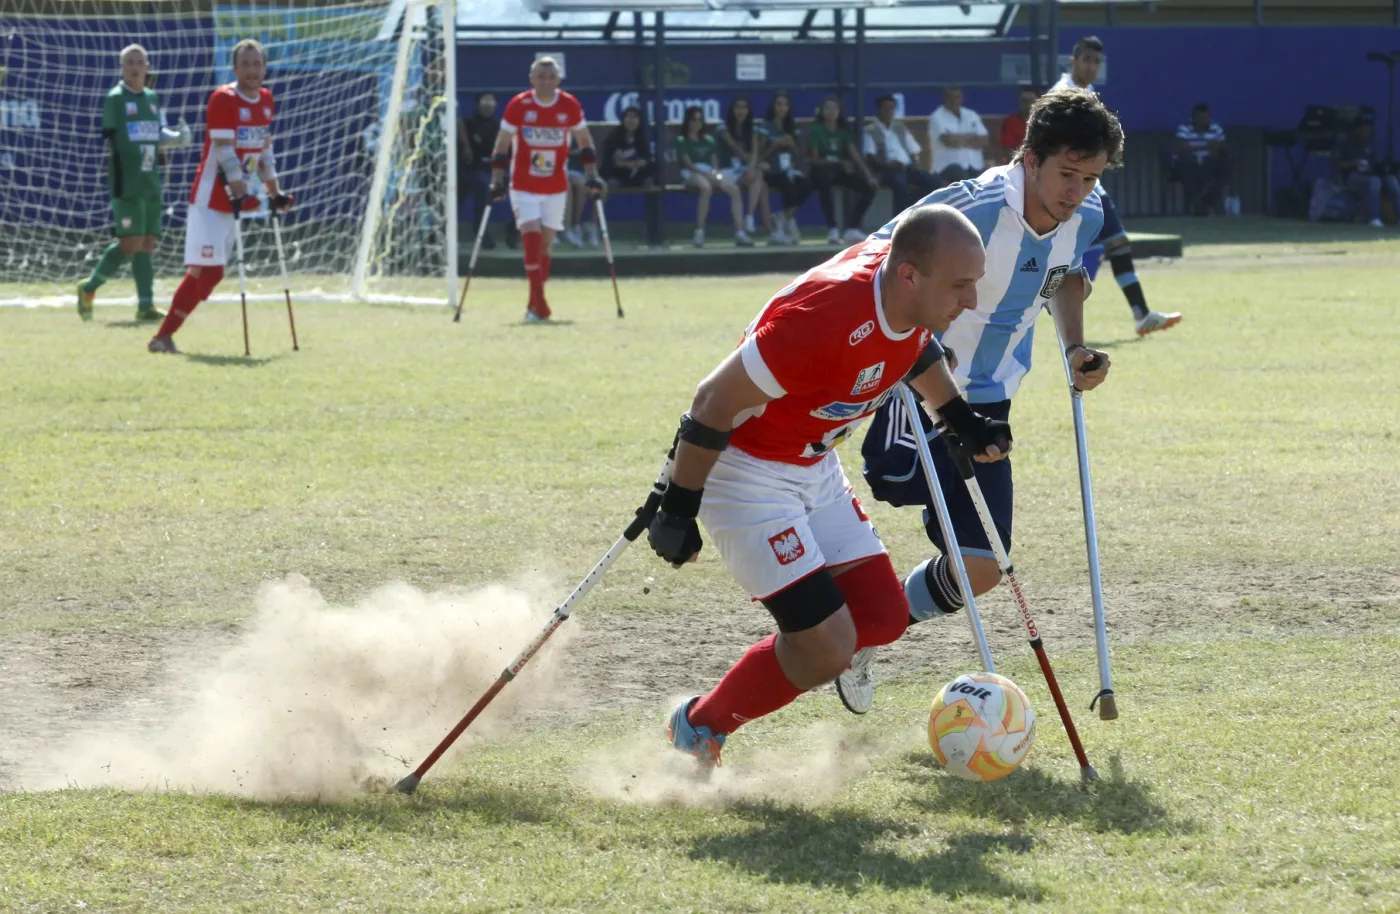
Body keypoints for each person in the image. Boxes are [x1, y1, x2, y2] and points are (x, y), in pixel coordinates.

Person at [648, 204, 1013, 769]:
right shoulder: (823, 317)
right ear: (910, 274)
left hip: (815, 467)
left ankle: (794, 654)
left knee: (883, 617)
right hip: (748, 473)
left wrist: (957, 416)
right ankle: (699, 727)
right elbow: (712, 402)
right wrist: (677, 505)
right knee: (827, 648)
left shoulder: (909, 299)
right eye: (961, 285)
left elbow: (915, 346)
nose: (970, 300)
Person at [852, 86, 1121, 709]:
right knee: (890, 479)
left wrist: (1076, 349)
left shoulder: (1089, 211)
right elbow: (871, 262)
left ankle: (864, 631)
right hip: (920, 382)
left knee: (983, 567)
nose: (1076, 190)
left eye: (1090, 177)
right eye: (1065, 174)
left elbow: (1067, 275)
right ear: (1029, 158)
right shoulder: (964, 209)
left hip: (992, 401)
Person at [149, 39, 292, 354]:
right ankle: (162, 336)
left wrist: (274, 191)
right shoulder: (222, 99)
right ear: (235, 68)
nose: (253, 71)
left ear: (264, 68)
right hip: (211, 198)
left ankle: (164, 336)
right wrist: (240, 192)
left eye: (257, 64)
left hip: (234, 200)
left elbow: (264, 150)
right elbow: (225, 152)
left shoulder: (267, 100)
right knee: (208, 271)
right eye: (246, 64)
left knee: (209, 273)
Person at [1054, 36, 1181, 336]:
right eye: (1087, 60)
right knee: (1097, 246)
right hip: (1078, 185)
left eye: (1097, 62)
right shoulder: (1063, 95)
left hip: (1089, 184)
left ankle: (1140, 313)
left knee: (1109, 245)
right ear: (1073, 62)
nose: (1092, 66)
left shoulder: (1089, 93)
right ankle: (1136, 313)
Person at [77, 44, 191, 323]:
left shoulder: (151, 98)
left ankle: (145, 306)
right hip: (127, 182)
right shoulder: (115, 98)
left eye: (139, 62)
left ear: (147, 67)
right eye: (130, 62)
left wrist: (175, 138)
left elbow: (154, 133)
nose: (135, 67)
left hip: (151, 181)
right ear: (122, 68)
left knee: (148, 242)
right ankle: (88, 288)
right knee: (130, 243)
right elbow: (115, 140)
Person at [488, 56, 602, 322]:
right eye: (541, 76)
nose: (546, 81)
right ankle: (542, 306)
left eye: (551, 76)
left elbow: (584, 141)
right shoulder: (519, 105)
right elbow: (502, 145)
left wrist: (591, 175)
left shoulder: (570, 105)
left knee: (546, 246)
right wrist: (497, 180)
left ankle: (533, 304)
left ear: (558, 79)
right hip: (524, 185)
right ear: (532, 79)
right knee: (531, 237)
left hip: (555, 186)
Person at [676, 105, 753, 248]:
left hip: (710, 172)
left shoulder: (709, 140)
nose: (696, 123)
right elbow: (687, 164)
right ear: (687, 121)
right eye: (693, 120)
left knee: (734, 189)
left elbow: (714, 162)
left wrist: (716, 173)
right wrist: (708, 174)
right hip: (691, 174)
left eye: (699, 120)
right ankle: (699, 233)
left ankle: (740, 233)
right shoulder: (681, 140)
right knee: (706, 188)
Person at [808, 96, 878, 245]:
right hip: (821, 171)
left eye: (834, 108)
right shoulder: (817, 130)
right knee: (823, 183)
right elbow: (814, 160)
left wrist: (869, 175)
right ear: (822, 111)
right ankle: (832, 227)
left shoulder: (843, 132)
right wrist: (839, 161)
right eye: (827, 108)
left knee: (868, 188)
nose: (831, 111)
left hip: (838, 172)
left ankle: (852, 227)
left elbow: (856, 156)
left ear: (839, 112)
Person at [863, 94, 937, 211]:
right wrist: (887, 164)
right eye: (885, 108)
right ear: (878, 109)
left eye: (891, 108)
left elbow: (914, 150)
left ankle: (910, 203)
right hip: (887, 170)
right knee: (901, 186)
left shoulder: (900, 128)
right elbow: (870, 157)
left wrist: (915, 163)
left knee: (934, 182)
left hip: (907, 168)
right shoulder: (870, 130)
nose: (889, 111)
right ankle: (897, 222)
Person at [757, 90, 812, 244]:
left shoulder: (791, 127)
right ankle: (785, 221)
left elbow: (800, 154)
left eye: (785, 105)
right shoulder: (765, 127)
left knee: (806, 186)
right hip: (771, 170)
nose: (782, 108)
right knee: (790, 188)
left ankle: (782, 217)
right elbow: (760, 155)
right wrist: (775, 144)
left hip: (789, 169)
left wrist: (791, 144)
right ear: (773, 106)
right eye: (779, 104)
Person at [1328, 116, 1398, 227]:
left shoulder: (1370, 143)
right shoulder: (1345, 142)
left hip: (1369, 174)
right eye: (1364, 130)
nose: (1367, 133)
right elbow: (1337, 164)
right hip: (1351, 177)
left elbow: (1374, 163)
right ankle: (1375, 219)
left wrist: (1383, 168)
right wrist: (1354, 163)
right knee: (1374, 182)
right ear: (1357, 129)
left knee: (1392, 181)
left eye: (1369, 130)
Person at [1170, 103, 1232, 215]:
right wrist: (1208, 146)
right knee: (1185, 163)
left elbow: (1221, 147)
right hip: (1189, 164)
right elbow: (1181, 148)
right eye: (1200, 118)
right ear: (1193, 118)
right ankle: (1198, 202)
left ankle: (1202, 201)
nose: (1203, 121)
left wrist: (1192, 147)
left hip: (1209, 163)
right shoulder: (1184, 128)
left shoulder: (1216, 128)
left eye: (1206, 118)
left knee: (1224, 166)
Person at [459, 91, 502, 250]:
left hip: (492, 169)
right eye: (484, 103)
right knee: (480, 185)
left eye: (491, 104)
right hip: (469, 169)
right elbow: (469, 151)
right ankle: (477, 230)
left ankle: (511, 232)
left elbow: (496, 149)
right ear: (477, 104)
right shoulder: (467, 124)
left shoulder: (499, 126)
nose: (487, 107)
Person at [928, 86, 988, 187]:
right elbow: (949, 141)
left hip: (974, 165)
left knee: (989, 178)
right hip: (946, 167)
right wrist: (972, 137)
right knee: (963, 180)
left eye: (957, 97)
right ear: (944, 99)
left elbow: (984, 140)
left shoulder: (971, 114)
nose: (954, 100)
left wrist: (958, 139)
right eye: (950, 97)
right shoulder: (937, 117)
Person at [600, 105, 655, 190]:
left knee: (650, 177)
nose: (631, 121)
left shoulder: (641, 138)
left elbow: (647, 159)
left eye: (634, 118)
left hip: (635, 175)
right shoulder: (614, 137)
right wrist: (625, 164)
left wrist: (640, 163)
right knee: (611, 183)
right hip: (617, 174)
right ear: (623, 119)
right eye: (629, 117)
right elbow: (608, 162)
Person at [999, 85, 1040, 163]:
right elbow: (1008, 150)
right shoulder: (1010, 121)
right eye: (1024, 101)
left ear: (1037, 102)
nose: (1028, 104)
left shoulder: (1045, 122)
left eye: (1031, 100)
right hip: (1017, 164)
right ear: (1019, 102)